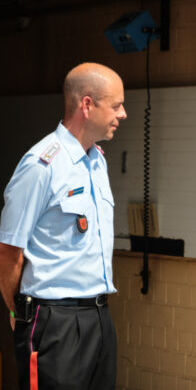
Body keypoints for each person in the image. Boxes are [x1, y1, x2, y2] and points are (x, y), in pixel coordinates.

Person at [0, 62, 127, 389]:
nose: (123, 114)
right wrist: (20, 313)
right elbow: (9, 252)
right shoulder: (42, 164)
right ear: (87, 105)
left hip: (99, 316)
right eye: (116, 105)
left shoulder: (98, 160)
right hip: (54, 321)